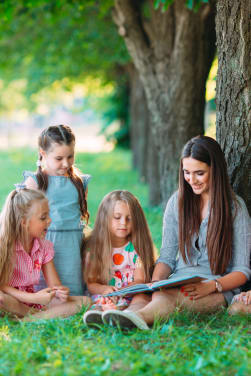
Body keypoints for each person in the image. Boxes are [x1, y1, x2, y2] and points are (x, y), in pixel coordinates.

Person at [102, 135, 251, 329]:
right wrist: (156, 282)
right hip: (178, 281)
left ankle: (135, 318)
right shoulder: (177, 202)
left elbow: (242, 270)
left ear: (216, 170)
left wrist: (211, 286)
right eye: (186, 172)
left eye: (199, 173)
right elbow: (167, 258)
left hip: (216, 288)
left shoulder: (235, 208)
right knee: (149, 293)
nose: (191, 180)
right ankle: (125, 315)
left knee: (169, 298)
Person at [0, 187, 90, 320]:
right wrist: (34, 298)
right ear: (24, 222)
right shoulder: (4, 245)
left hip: (34, 304)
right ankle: (40, 317)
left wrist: (60, 292)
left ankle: (29, 319)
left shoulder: (44, 247)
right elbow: (2, 286)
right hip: (12, 302)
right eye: (43, 218)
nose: (49, 220)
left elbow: (55, 286)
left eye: (48, 215)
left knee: (86, 302)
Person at [24, 124, 91, 296]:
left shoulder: (78, 182)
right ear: (43, 153)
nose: (66, 163)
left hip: (72, 244)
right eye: (59, 158)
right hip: (45, 241)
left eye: (70, 156)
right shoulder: (36, 181)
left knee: (71, 292)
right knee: (45, 289)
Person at [82, 190, 156, 325]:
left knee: (141, 299)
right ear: (105, 218)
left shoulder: (136, 248)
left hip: (130, 294)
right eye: (117, 217)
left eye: (129, 218)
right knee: (100, 301)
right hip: (105, 294)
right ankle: (99, 314)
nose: (124, 223)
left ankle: (129, 315)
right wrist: (105, 290)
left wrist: (122, 292)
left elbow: (140, 280)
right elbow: (91, 283)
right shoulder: (95, 248)